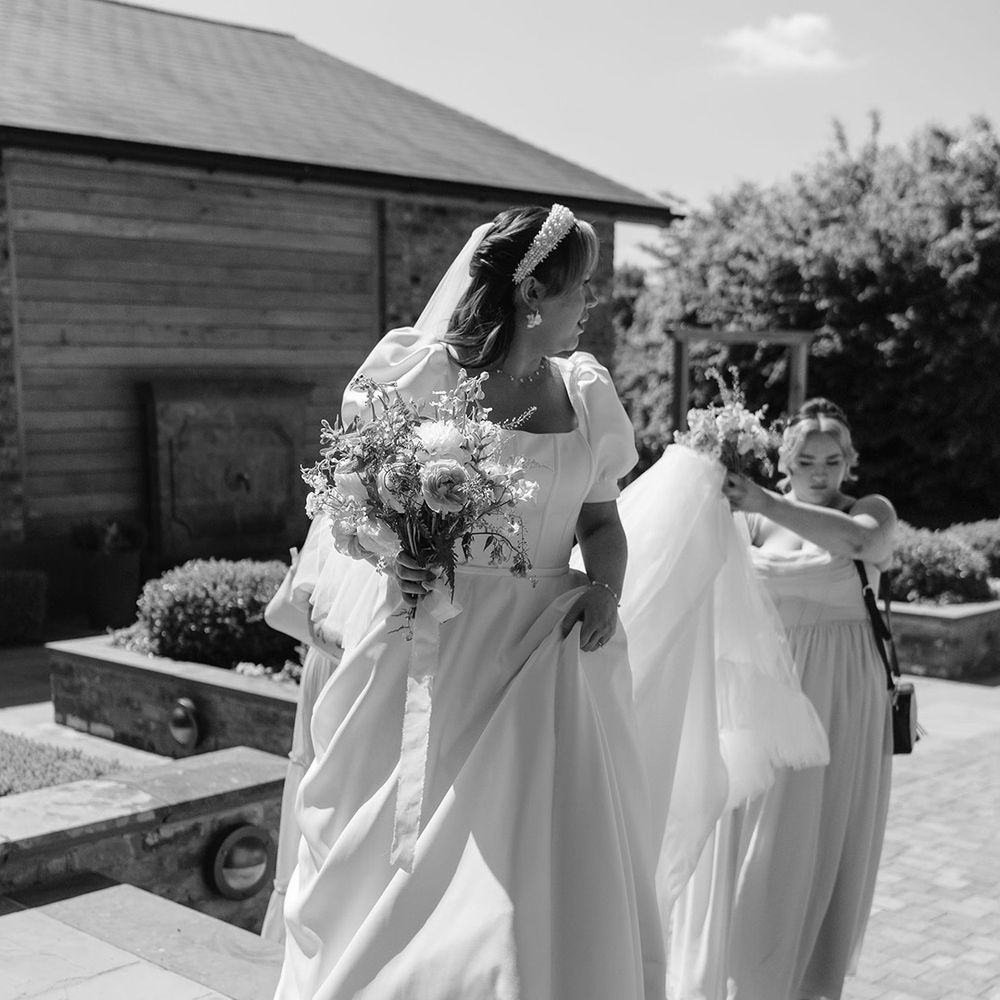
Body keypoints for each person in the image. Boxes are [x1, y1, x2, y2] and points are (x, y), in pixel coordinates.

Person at [273, 205, 668, 1000]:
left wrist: (607, 588)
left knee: (527, 877)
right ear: (533, 296)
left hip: (544, 657)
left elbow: (600, 521)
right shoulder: (423, 377)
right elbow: (353, 509)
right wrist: (400, 553)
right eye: (580, 288)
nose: (590, 304)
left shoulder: (586, 393)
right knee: (395, 856)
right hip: (434, 644)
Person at [672, 398, 896, 1000]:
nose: (820, 473)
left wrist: (768, 501)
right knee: (751, 835)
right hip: (761, 697)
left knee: (821, 833)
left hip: (842, 694)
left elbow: (863, 544)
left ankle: (803, 982)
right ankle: (740, 973)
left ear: (849, 463)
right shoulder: (746, 520)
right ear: (784, 460)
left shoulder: (868, 511)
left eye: (833, 460)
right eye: (806, 459)